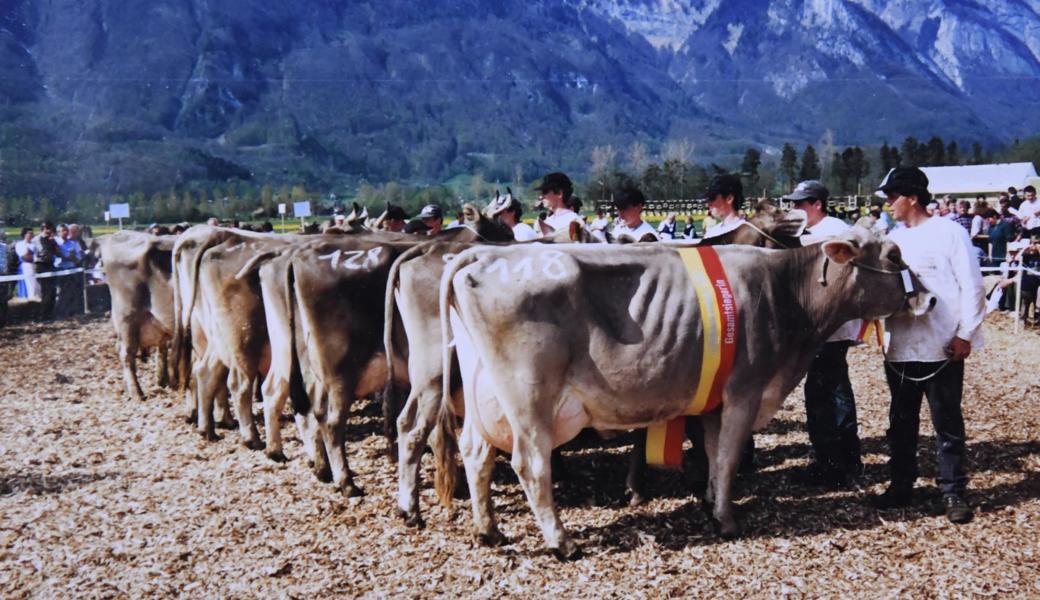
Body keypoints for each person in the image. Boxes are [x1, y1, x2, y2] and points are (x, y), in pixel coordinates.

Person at [871, 167, 985, 524]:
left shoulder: (949, 232)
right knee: (901, 422)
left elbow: (973, 286)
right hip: (901, 346)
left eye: (893, 197)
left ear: (913, 198)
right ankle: (901, 485)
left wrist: (965, 333)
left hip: (942, 347)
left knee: (946, 422)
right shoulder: (892, 240)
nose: (889, 204)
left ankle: (952, 491)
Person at [785, 180, 864, 487]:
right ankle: (844, 457)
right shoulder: (817, 232)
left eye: (800, 204)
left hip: (830, 326)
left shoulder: (833, 232)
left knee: (823, 392)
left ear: (816, 204)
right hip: (820, 327)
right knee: (833, 389)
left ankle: (832, 463)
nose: (795, 210)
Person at [702, 174, 745, 238]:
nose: (708, 204)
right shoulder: (711, 233)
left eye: (712, 198)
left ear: (729, 199)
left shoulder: (746, 231)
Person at [56, 223, 84, 317]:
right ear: (58, 232)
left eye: (66, 230)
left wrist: (73, 258)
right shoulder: (56, 244)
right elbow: (56, 259)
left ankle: (72, 312)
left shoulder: (74, 243)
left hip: (72, 269)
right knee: (62, 292)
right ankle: (61, 312)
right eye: (62, 231)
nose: (65, 232)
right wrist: (68, 257)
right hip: (61, 270)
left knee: (73, 292)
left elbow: (79, 257)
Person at [34, 221, 60, 319]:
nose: (49, 231)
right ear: (43, 229)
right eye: (46, 228)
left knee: (53, 291)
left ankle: (50, 314)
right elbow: (44, 253)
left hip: (50, 265)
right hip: (41, 265)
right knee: (46, 292)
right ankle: (43, 315)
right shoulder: (38, 239)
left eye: (50, 228)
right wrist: (51, 245)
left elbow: (58, 253)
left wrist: (53, 242)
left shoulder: (51, 240)